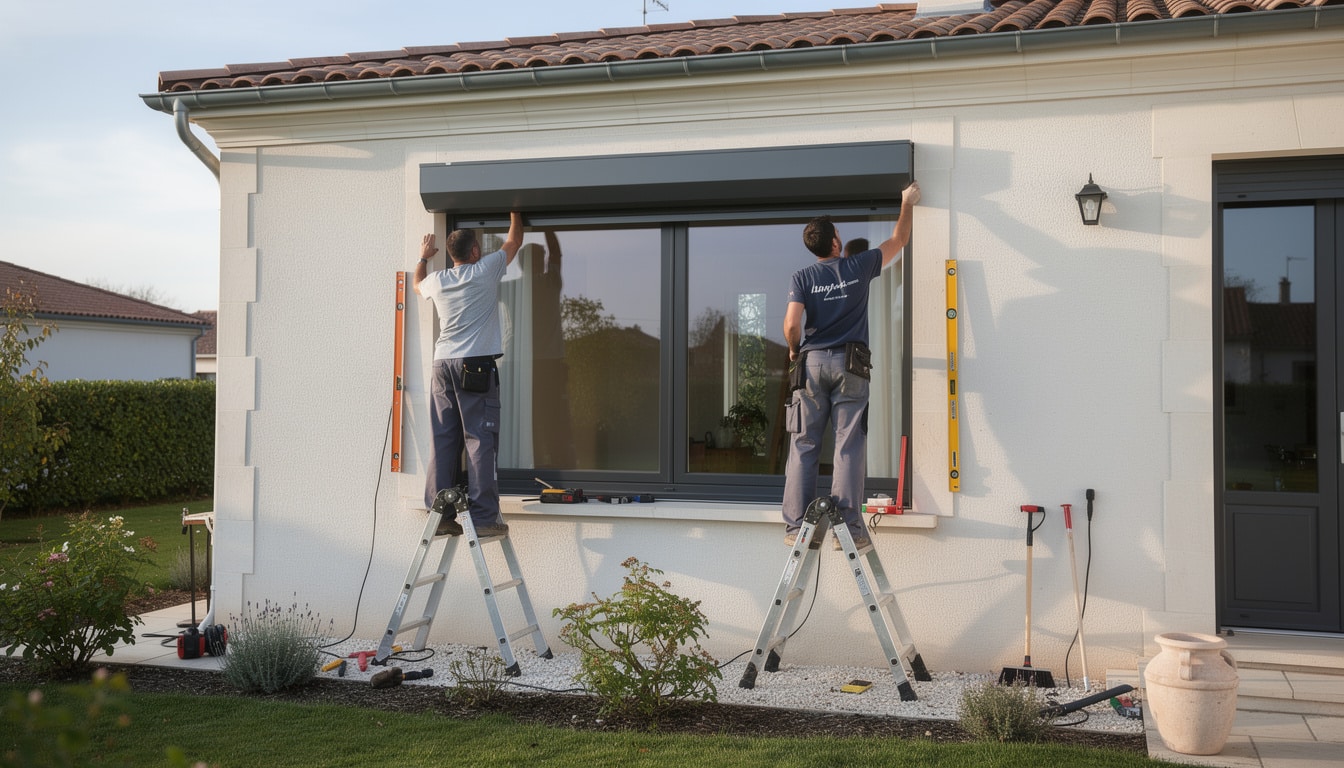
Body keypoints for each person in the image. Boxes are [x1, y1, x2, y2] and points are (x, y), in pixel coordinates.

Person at [781, 182, 920, 549]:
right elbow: (899, 239)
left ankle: (797, 528)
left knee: (805, 443)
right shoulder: (858, 265)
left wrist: (794, 350)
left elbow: (792, 325)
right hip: (851, 366)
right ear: (834, 244)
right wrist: (905, 202)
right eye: (838, 234)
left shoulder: (802, 277)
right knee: (848, 446)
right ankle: (848, 533)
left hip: (811, 365)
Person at [414, 212, 524, 537]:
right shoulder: (485, 270)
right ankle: (485, 518)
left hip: (441, 364)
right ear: (475, 251)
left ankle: (440, 517)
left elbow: (418, 282)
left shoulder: (438, 280)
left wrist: (423, 257)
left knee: (444, 438)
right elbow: (514, 241)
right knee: (479, 438)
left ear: (451, 256)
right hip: (474, 366)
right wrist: (516, 212)